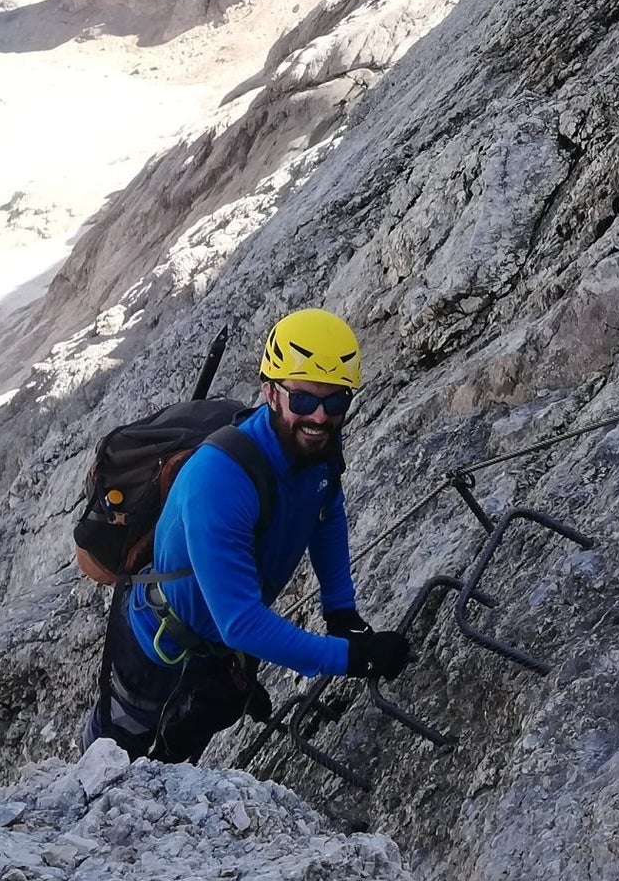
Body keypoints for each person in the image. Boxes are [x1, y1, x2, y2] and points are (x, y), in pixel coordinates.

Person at [81, 307, 414, 763]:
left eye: (335, 402)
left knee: (181, 752)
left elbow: (326, 507)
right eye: (302, 401)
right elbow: (242, 621)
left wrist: (340, 609)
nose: (319, 417)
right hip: (158, 649)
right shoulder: (220, 480)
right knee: (116, 755)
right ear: (270, 393)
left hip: (216, 649)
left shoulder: (316, 447)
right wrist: (353, 658)